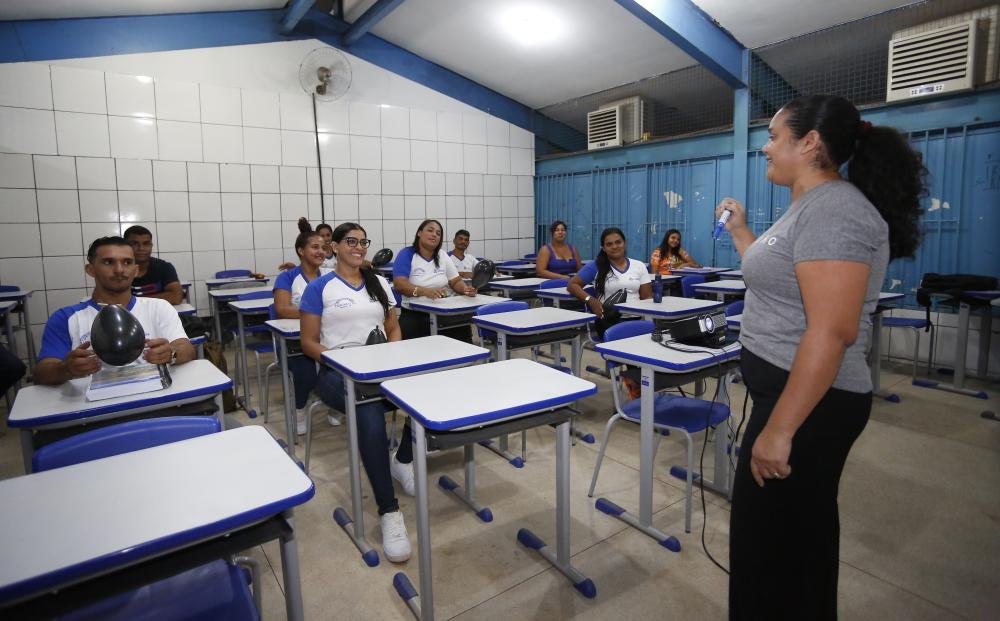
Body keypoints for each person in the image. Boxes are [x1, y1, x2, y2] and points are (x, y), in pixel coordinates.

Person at [722, 95, 924, 620]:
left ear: (809, 142)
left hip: (809, 405)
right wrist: (741, 230)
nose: (764, 146)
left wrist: (780, 430)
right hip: (795, 397)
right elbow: (779, 280)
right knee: (789, 544)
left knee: (773, 551)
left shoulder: (835, 209)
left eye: (773, 135)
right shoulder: (810, 205)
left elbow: (832, 331)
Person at [299, 222, 414, 563]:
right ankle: (389, 510)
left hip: (379, 365)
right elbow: (308, 342)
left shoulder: (378, 283)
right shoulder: (320, 288)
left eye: (363, 242)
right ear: (333, 246)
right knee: (368, 408)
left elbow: (393, 327)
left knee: (425, 389)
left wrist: (391, 355)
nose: (359, 246)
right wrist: (343, 360)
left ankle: (403, 458)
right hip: (336, 372)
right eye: (351, 241)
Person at [35, 236, 195, 386]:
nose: (119, 270)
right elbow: (42, 372)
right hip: (92, 409)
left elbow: (186, 348)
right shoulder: (66, 318)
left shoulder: (159, 307)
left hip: (154, 398)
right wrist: (66, 368)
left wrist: (171, 353)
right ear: (90, 269)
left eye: (127, 262)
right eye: (108, 262)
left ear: (136, 270)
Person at [273, 227, 336, 434]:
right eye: (314, 247)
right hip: (294, 341)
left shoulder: (329, 275)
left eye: (323, 248)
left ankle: (336, 405)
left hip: (327, 336)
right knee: (305, 374)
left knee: (345, 364)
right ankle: (299, 409)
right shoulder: (288, 277)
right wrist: (315, 312)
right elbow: (282, 309)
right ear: (301, 250)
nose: (320, 251)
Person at [392, 219, 477, 342]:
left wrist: (465, 289)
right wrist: (425, 291)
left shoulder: (442, 255)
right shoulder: (407, 254)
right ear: (419, 233)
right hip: (416, 314)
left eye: (438, 233)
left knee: (463, 333)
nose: (434, 235)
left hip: (442, 311)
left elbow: (455, 281)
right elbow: (400, 284)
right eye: (430, 230)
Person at [567, 227, 651, 338]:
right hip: (609, 322)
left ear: (625, 243)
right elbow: (572, 285)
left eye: (618, 242)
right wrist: (590, 300)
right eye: (609, 244)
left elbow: (647, 297)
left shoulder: (639, 265)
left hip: (637, 319)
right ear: (603, 248)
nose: (615, 246)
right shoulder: (596, 266)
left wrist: (646, 319)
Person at [123, 225, 184, 304]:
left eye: (146, 244)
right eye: (135, 244)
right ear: (125, 246)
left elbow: (176, 297)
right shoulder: (117, 269)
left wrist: (133, 301)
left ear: (151, 246)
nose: (141, 248)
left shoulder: (164, 267)